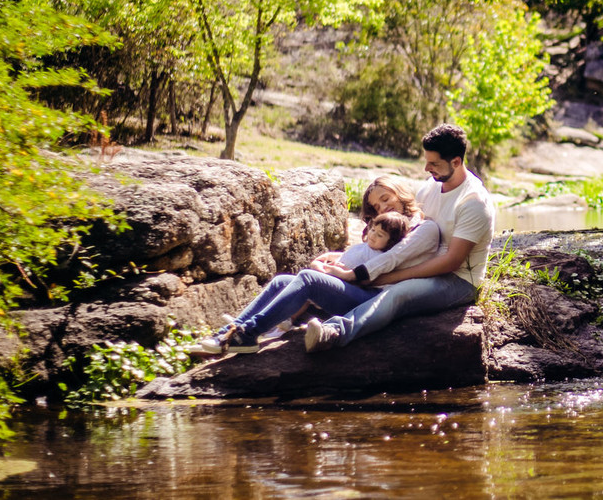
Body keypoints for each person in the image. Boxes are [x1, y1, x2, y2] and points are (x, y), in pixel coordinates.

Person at [305, 123, 495, 352]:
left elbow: (452, 261)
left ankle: (333, 334)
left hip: (458, 280)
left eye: (434, 163)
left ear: (456, 162)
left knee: (398, 293)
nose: (426, 168)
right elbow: (407, 238)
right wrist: (345, 257)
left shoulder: (473, 202)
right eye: (426, 160)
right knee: (368, 275)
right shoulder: (431, 186)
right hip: (422, 260)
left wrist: (392, 277)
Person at [197, 178, 439, 354]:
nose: (383, 208)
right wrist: (335, 259)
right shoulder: (389, 226)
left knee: (309, 280)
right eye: (376, 207)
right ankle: (228, 333)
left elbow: (388, 260)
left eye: (386, 199)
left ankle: (247, 334)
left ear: (400, 193)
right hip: (362, 286)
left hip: (376, 298)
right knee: (282, 281)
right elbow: (369, 253)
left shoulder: (422, 228)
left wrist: (342, 273)